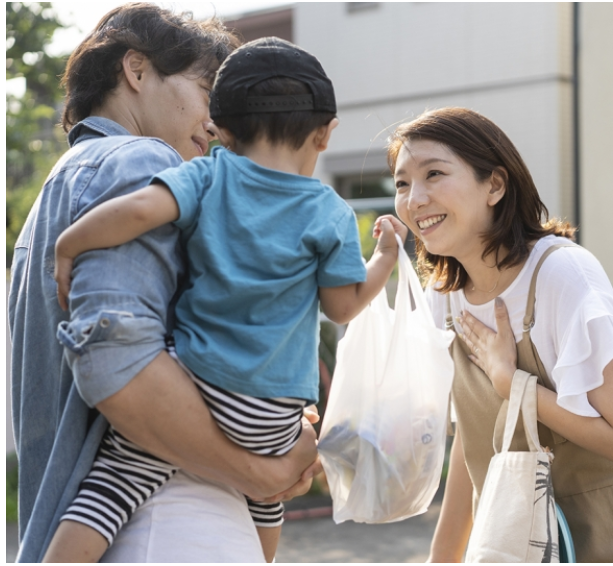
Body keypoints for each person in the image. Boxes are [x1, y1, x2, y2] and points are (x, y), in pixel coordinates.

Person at [48, 37, 409, 563]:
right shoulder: (328, 211)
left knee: (111, 488)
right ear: (326, 133)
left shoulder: (207, 173)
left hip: (197, 384)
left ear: (222, 130)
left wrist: (69, 243)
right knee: (267, 500)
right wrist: (385, 258)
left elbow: (137, 210)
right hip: (275, 411)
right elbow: (343, 307)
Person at [9, 6, 319, 564]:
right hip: (162, 524)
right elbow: (118, 365)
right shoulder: (142, 159)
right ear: (136, 69)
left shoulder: (52, 202)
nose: (218, 127)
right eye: (207, 93)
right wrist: (264, 469)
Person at [388, 107, 613, 562]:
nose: (414, 198)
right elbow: (473, 437)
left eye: (434, 174)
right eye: (402, 183)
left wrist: (513, 385)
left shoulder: (562, 275)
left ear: (495, 185)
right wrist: (443, 556)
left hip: (607, 535)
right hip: (508, 538)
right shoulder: (444, 294)